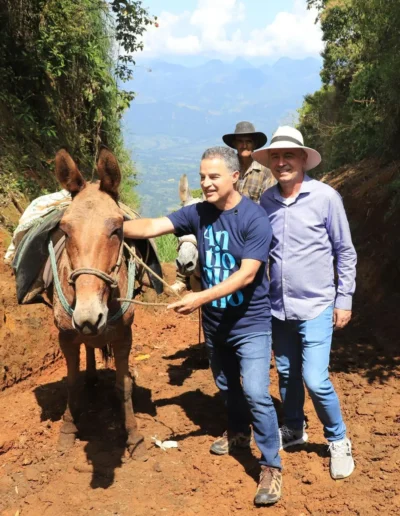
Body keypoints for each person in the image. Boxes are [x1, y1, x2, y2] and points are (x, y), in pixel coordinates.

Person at [124, 146, 282, 505]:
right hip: (215, 324)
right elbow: (152, 226)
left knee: (256, 392)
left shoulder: (254, 219)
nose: (206, 183)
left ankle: (271, 466)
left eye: (214, 176)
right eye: (202, 177)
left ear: (235, 177)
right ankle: (238, 432)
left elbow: (247, 275)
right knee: (226, 385)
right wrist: (110, 223)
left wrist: (199, 297)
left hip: (250, 324)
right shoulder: (198, 212)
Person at [253, 126, 357, 480]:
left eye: (288, 156)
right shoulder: (267, 201)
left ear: (302, 159)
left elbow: (345, 251)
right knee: (286, 374)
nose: (281, 162)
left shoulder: (326, 197)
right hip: (278, 307)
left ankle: (338, 439)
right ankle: (295, 428)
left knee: (314, 378)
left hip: (317, 305)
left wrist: (344, 299)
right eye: (275, 157)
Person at [222, 121, 276, 202]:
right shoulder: (227, 167)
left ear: (254, 144)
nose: (244, 145)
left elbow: (268, 202)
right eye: (240, 141)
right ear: (235, 144)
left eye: (248, 141)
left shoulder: (265, 170)